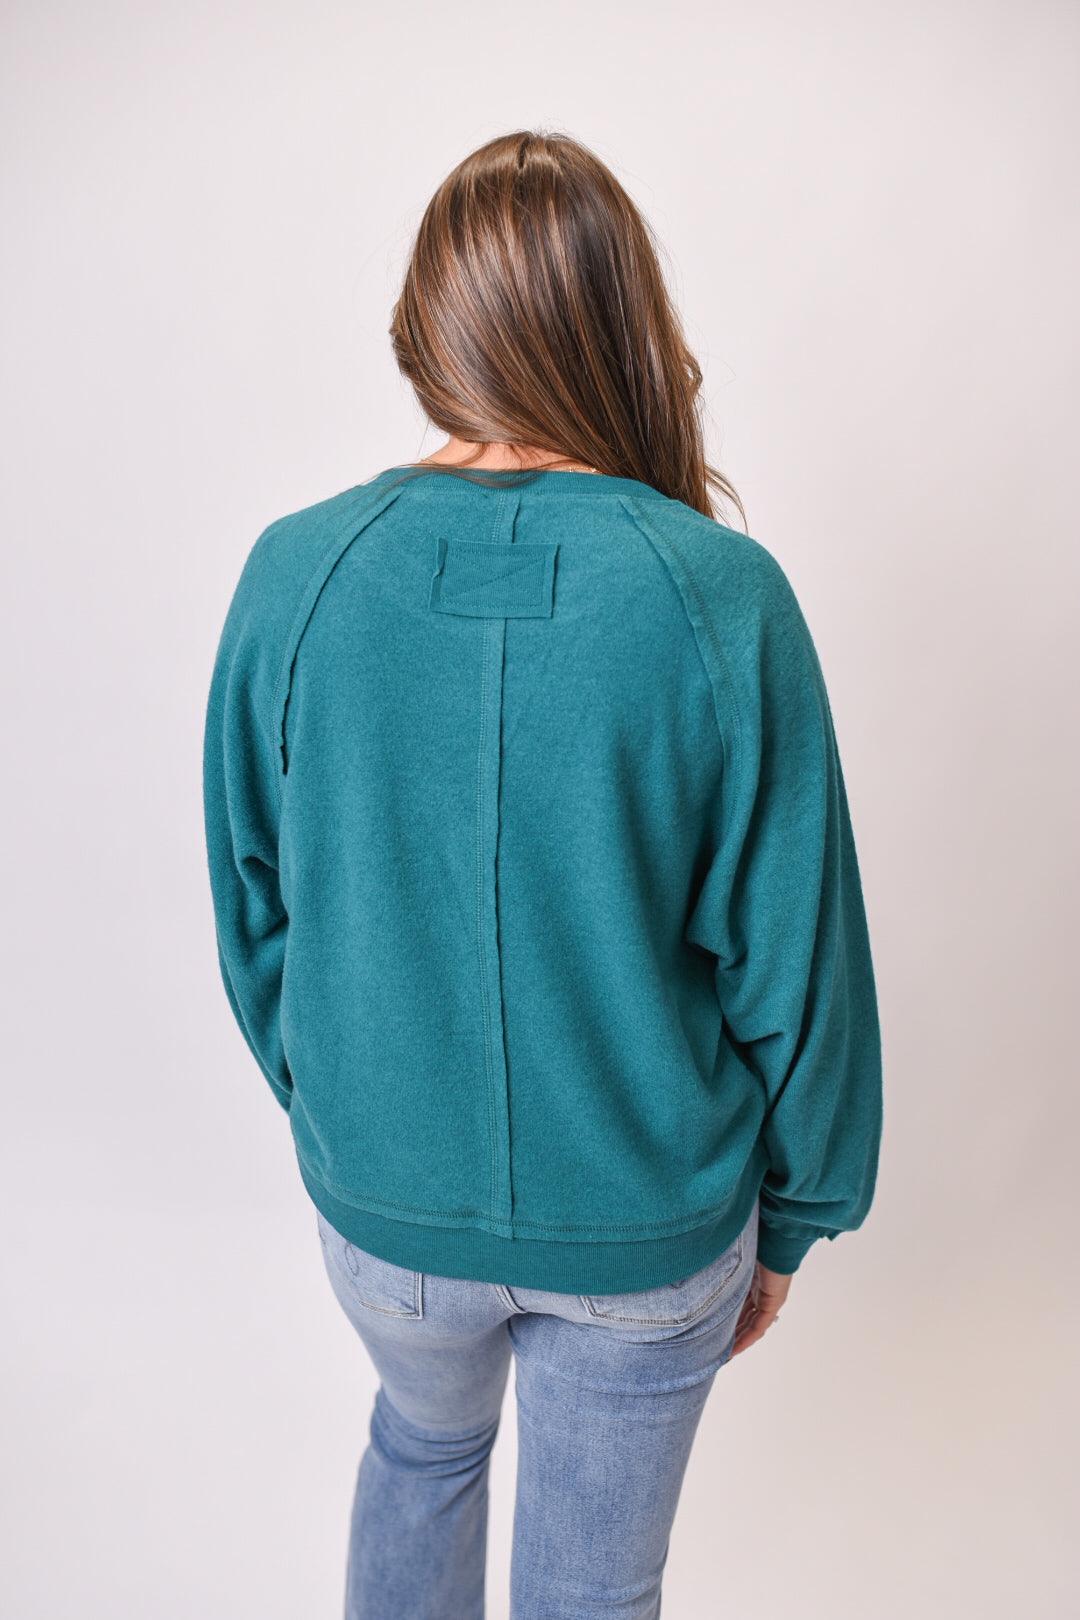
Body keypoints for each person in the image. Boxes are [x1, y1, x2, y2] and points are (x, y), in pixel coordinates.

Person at [202, 128, 883, 1620]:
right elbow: (798, 955)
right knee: (592, 1592)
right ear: (622, 322)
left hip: (384, 1211)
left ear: (425, 329)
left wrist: (341, 1105)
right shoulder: (722, 596)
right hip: (646, 1222)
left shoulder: (295, 576)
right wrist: (795, 1215)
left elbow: (255, 914)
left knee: (420, 1448)